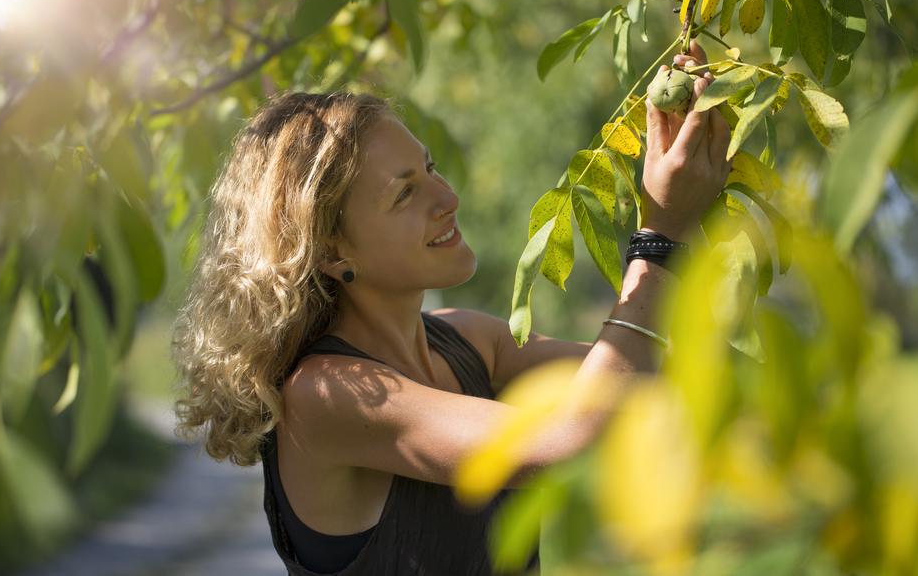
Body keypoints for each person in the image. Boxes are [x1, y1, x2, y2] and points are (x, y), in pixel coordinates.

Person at [171, 40, 731, 576]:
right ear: (328, 250)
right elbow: (570, 437)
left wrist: (692, 183)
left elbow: (655, 378)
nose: (448, 198)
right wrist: (660, 234)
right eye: (405, 193)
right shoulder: (326, 395)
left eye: (431, 168)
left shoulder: (468, 341)